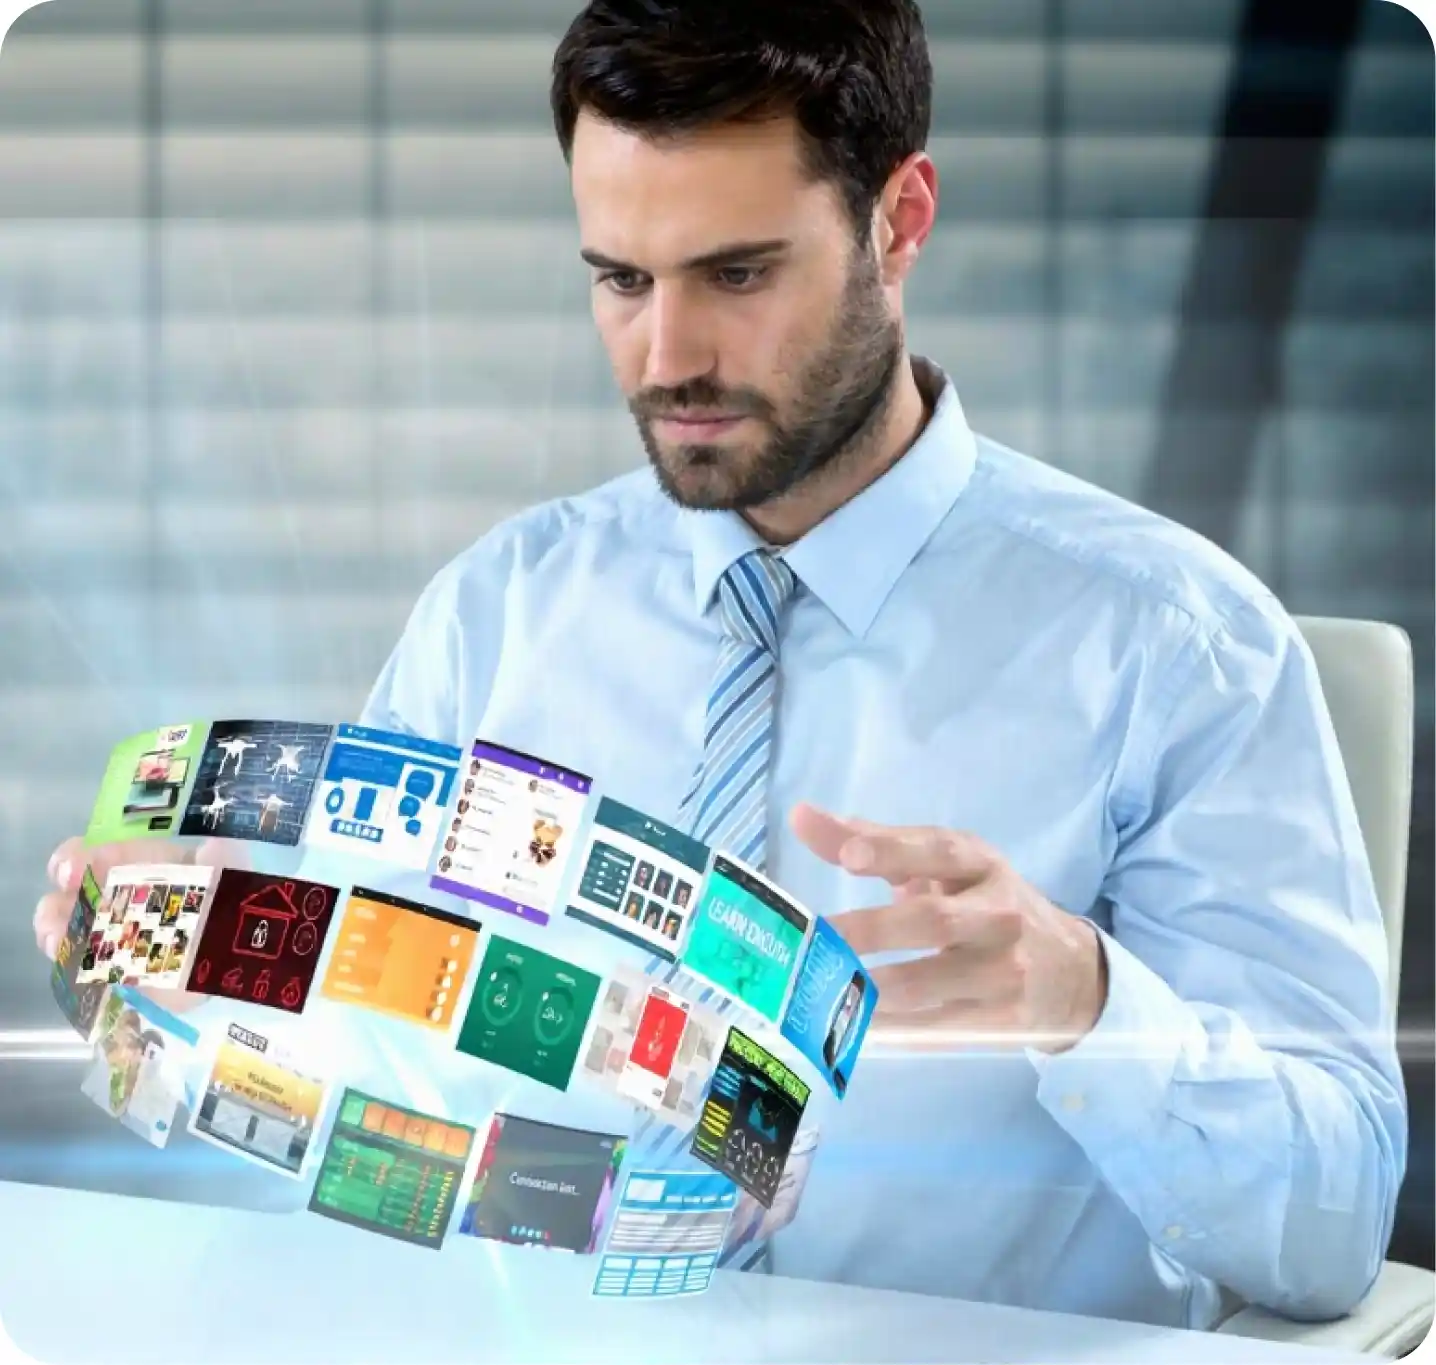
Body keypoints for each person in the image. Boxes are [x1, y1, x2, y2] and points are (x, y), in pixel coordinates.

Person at [34, 0, 1404, 1332]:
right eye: (620, 280)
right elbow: (383, 1068)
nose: (668, 356)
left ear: (900, 221)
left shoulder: (1175, 640)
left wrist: (1088, 1010)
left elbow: (1336, 1229)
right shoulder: (500, 612)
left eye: (738, 273)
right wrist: (213, 951)